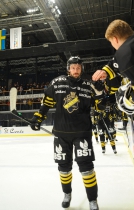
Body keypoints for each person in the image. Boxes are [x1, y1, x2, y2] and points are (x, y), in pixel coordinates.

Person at [30, 56, 104, 210]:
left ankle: (92, 200)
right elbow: (47, 102)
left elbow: (100, 107)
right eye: (73, 68)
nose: (76, 70)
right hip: (61, 134)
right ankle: (67, 194)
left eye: (78, 68)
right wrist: (38, 118)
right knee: (64, 168)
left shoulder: (89, 85)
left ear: (81, 69)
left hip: (82, 133)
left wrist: (100, 91)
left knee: (87, 168)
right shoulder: (57, 83)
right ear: (68, 69)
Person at [92, 19, 134, 115]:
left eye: (111, 42)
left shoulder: (126, 53)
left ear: (115, 39)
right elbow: (117, 62)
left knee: (122, 98)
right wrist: (105, 71)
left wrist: (126, 102)